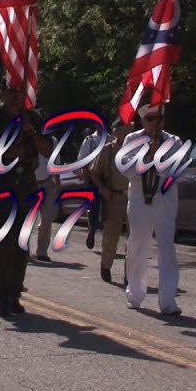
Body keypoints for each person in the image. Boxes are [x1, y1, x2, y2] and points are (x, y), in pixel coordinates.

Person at [0, 82, 49, 317]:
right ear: (2, 92)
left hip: (26, 183)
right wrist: (5, 153)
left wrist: (31, 132)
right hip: (1, 184)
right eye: (10, 90)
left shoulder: (34, 117)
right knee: (5, 239)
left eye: (19, 91)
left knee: (22, 241)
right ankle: (3, 296)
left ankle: (15, 292)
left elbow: (48, 149)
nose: (15, 95)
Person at [121, 103, 184, 315]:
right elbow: (126, 168)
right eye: (150, 119)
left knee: (167, 249)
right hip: (140, 200)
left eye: (159, 118)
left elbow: (178, 170)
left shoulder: (174, 141)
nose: (155, 123)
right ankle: (135, 294)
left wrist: (160, 159)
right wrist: (147, 158)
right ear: (142, 121)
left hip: (165, 201)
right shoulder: (132, 140)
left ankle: (168, 301)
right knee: (138, 247)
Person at [89, 118, 132, 284]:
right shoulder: (108, 150)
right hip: (114, 196)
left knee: (133, 238)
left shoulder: (137, 149)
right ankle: (106, 265)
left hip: (133, 197)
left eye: (129, 128)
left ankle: (130, 274)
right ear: (116, 131)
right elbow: (94, 172)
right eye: (123, 128)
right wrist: (103, 189)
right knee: (111, 236)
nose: (127, 131)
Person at [76, 124, 106, 249]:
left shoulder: (110, 139)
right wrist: (85, 177)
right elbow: (82, 159)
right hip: (92, 177)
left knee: (107, 208)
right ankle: (92, 230)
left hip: (107, 178)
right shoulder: (90, 140)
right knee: (93, 207)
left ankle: (106, 235)